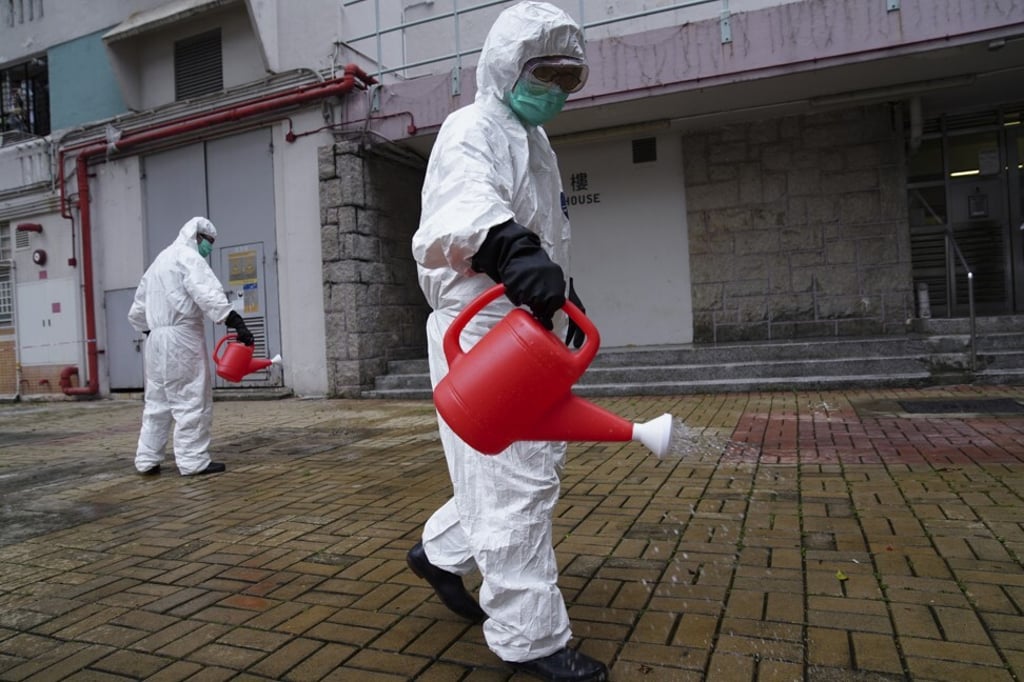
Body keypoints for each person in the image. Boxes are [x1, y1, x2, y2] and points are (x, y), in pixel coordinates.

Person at [408, 3, 605, 681]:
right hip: (483, 329)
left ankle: (439, 551)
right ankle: (532, 639)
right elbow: (463, 207)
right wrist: (507, 244)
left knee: (523, 471)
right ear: (505, 65)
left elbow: (541, 236)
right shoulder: (472, 128)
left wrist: (559, 288)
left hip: (523, 328)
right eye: (545, 72)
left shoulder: (536, 144)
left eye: (568, 79)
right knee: (513, 484)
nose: (555, 90)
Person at [128, 216, 254, 476]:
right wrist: (234, 320)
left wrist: (154, 331)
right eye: (209, 242)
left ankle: (147, 459)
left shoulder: (158, 262)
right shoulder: (187, 257)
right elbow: (206, 292)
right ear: (198, 237)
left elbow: (137, 311)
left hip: (155, 341)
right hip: (181, 339)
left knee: (157, 402)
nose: (209, 248)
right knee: (191, 398)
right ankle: (193, 461)